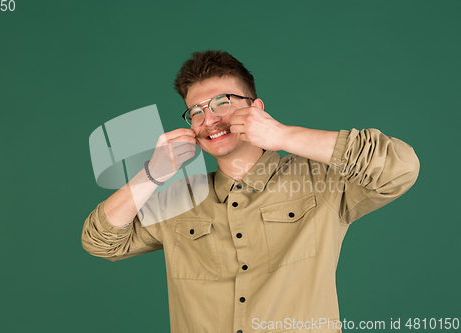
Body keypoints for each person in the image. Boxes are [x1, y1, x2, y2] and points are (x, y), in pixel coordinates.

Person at [81, 50, 420, 333]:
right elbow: (101, 241)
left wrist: (283, 136)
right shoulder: (179, 199)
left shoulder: (320, 180)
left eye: (221, 103)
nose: (209, 119)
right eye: (196, 112)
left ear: (256, 108)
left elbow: (399, 167)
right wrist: (151, 175)